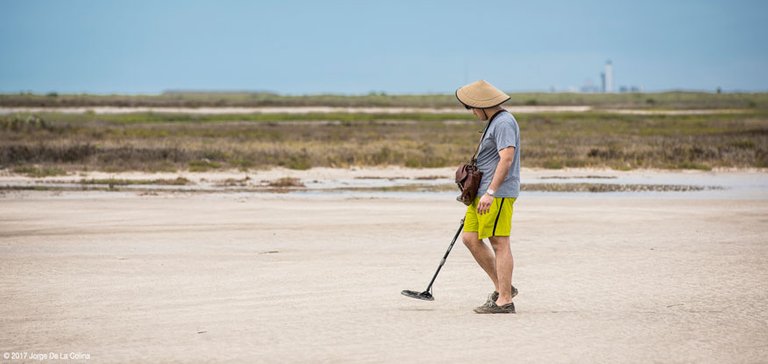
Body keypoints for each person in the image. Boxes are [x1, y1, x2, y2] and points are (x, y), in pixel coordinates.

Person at [455, 80, 521, 314]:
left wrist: (491, 193)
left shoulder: (504, 122)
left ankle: (505, 300)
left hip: (497, 194)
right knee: (470, 238)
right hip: (481, 194)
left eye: (472, 107)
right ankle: (503, 288)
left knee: (499, 243)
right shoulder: (494, 122)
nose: (472, 112)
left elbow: (507, 159)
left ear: (483, 105)